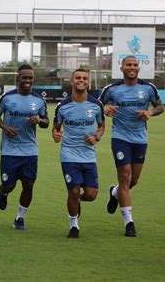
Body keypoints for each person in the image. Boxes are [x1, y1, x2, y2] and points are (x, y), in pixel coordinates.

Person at [99, 55, 164, 237]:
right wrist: (104, 109)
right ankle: (129, 223)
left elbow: (160, 106)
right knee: (125, 176)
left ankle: (114, 193)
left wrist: (150, 111)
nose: (132, 67)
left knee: (132, 180)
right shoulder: (112, 89)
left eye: (135, 65)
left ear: (139, 68)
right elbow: (96, 105)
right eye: (128, 64)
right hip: (120, 138)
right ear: (122, 68)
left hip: (140, 139)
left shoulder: (148, 88)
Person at [0, 64, 49, 230]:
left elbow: (46, 121)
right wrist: (5, 127)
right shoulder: (7, 98)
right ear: (18, 78)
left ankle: (20, 218)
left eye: (30, 78)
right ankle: (3, 192)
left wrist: (39, 120)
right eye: (24, 77)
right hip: (9, 150)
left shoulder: (39, 100)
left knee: (28, 184)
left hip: (30, 150)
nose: (27, 81)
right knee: (9, 185)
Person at [53, 69, 105, 238]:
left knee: (91, 195)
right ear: (72, 81)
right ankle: (74, 226)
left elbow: (102, 126)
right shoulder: (63, 106)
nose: (81, 80)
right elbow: (56, 128)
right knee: (73, 191)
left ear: (88, 82)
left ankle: (78, 202)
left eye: (84, 78)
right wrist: (55, 135)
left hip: (89, 156)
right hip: (69, 155)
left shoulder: (96, 105)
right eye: (78, 78)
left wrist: (96, 137)